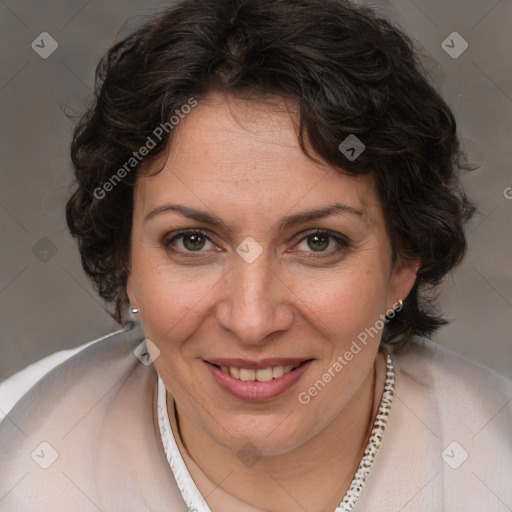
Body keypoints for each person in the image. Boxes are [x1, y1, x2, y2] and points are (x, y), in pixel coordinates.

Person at [1, 0, 511, 510]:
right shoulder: (17, 440)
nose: (251, 321)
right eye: (193, 241)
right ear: (126, 261)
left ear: (403, 263)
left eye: (317, 241)